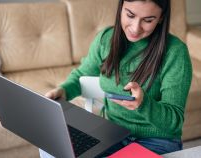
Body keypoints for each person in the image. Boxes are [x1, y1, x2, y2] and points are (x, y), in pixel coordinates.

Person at [40, 0, 192, 157]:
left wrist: (144, 104)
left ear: (161, 18)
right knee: (52, 148)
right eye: (130, 15)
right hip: (111, 134)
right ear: (121, 8)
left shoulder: (175, 52)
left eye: (148, 20)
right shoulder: (106, 39)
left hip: (156, 141)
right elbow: (81, 75)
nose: (135, 27)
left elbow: (174, 123)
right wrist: (63, 91)